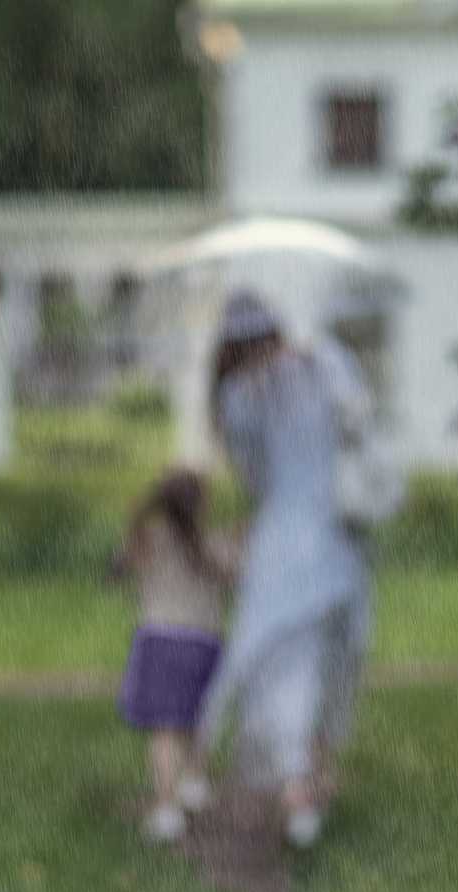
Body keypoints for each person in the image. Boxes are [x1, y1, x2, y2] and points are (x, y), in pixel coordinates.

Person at [196, 288, 382, 849]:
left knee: (277, 665)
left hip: (282, 545)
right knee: (334, 661)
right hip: (341, 540)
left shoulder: (236, 396)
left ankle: (295, 786)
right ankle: (312, 778)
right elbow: (362, 431)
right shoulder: (328, 364)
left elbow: (256, 481)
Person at [112, 466, 235, 842]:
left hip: (160, 640)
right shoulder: (215, 544)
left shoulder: (146, 540)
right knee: (194, 716)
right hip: (204, 643)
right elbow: (237, 579)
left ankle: (167, 812)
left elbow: (115, 572)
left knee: (165, 730)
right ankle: (194, 784)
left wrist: (137, 522)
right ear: (203, 505)